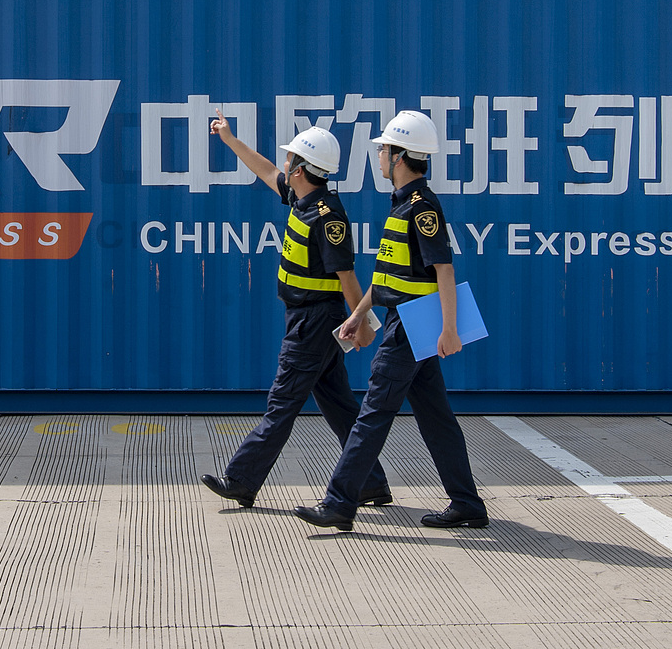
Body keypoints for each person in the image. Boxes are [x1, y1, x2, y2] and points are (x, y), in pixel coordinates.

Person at [293, 110, 488, 533]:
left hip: (411, 328)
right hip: (410, 323)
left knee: (372, 414)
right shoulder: (402, 205)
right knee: (436, 417)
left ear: (399, 156)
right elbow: (386, 276)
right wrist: (358, 314)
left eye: (383, 149)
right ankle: (468, 503)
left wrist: (449, 330)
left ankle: (340, 503)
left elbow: (445, 270)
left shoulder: (421, 208)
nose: (379, 155)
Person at [199, 111, 392, 511]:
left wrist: (361, 322)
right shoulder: (303, 196)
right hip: (308, 320)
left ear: (303, 169)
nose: (284, 164)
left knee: (282, 404)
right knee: (340, 406)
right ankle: (371, 483)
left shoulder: (327, 217)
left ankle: (241, 479)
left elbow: (347, 277)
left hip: (314, 323)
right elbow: (267, 170)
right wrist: (230, 140)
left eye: (291, 160)